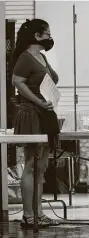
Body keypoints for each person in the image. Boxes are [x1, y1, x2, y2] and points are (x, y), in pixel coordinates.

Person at [11, 19, 61, 228]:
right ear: (37, 36)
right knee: (31, 163)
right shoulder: (25, 57)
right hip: (32, 114)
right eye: (47, 34)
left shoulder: (41, 57)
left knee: (41, 166)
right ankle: (28, 215)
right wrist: (37, 101)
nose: (50, 37)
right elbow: (17, 81)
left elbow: (52, 79)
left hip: (45, 114)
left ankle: (39, 213)